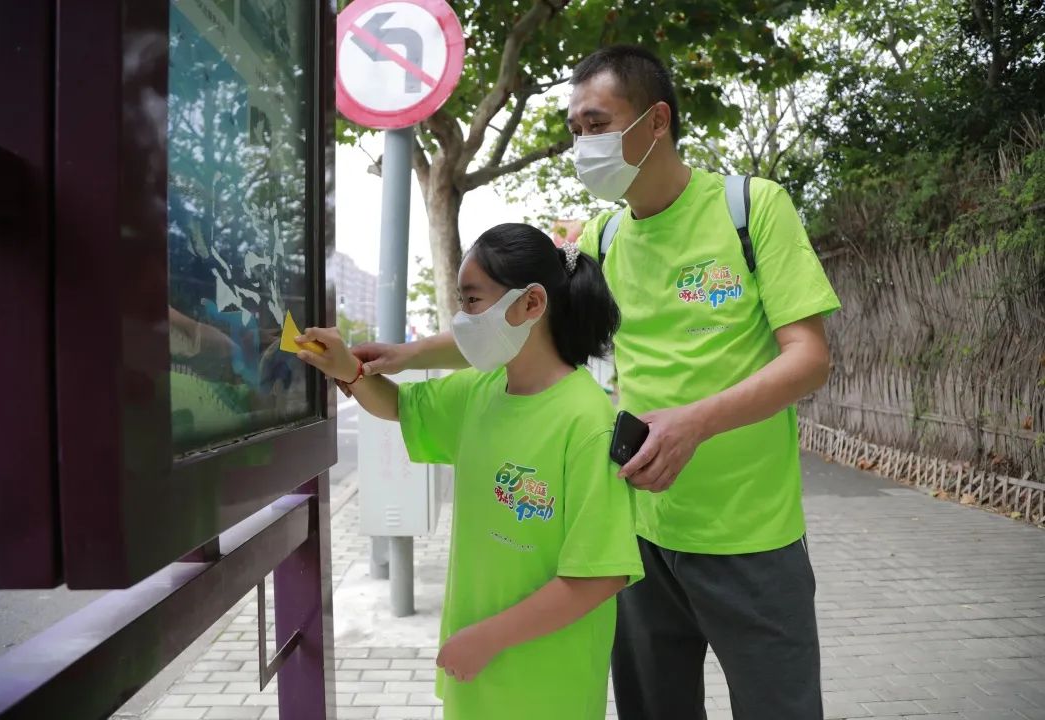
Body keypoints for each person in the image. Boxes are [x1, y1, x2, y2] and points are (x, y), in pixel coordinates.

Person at [352, 45, 841, 720]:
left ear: (655, 121)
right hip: (636, 535)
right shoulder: (605, 238)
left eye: (596, 123)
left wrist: (695, 421)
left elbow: (809, 358)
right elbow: (516, 322)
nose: (582, 143)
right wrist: (408, 355)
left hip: (749, 537)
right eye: (574, 129)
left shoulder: (750, 210)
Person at [295, 223, 643, 720]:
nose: (462, 319)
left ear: (531, 304)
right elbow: (399, 406)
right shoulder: (482, 391)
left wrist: (486, 639)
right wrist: (348, 369)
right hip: (476, 674)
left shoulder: (586, 420)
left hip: (547, 687)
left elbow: (600, 577)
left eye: (473, 301)